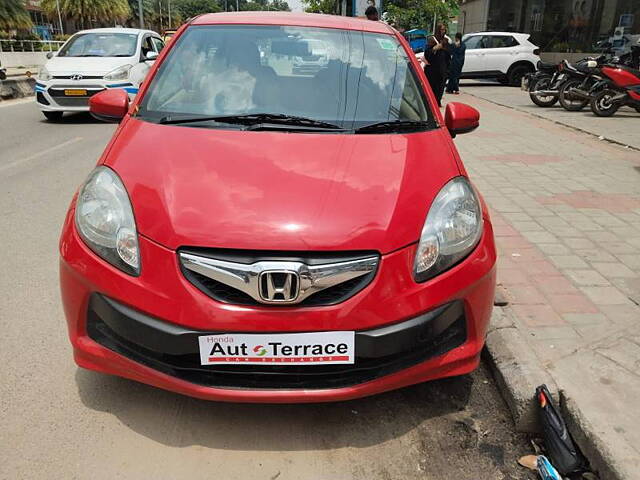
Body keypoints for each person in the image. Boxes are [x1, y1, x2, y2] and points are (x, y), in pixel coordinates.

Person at [423, 23, 450, 107]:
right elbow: (427, 53)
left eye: (444, 30)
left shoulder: (445, 40)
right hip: (432, 69)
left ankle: (438, 101)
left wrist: (448, 69)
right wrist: (435, 48)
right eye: (441, 29)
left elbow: (448, 55)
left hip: (442, 69)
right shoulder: (432, 40)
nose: (443, 31)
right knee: (432, 86)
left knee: (440, 86)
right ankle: (431, 102)